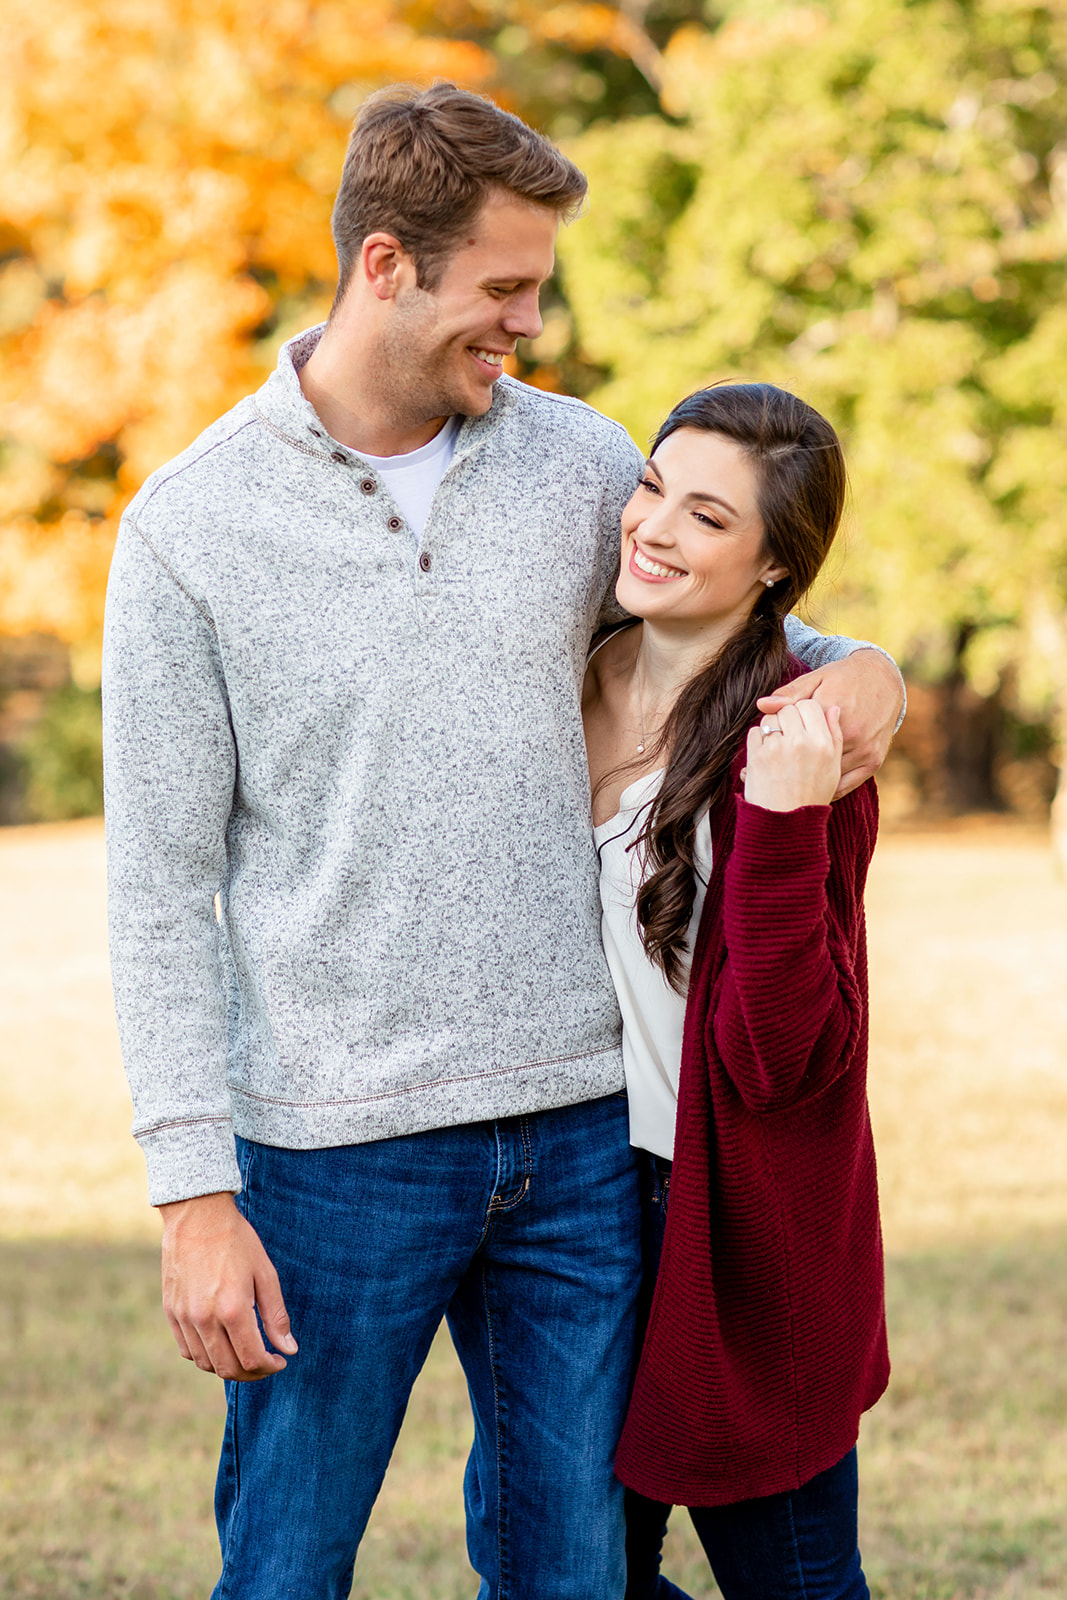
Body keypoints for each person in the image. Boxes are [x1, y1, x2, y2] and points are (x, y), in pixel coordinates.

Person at [102, 84, 902, 1599]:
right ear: (385, 265)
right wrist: (192, 1194)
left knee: (568, 1573)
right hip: (334, 1152)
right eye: (504, 288)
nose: (528, 324)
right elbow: (154, 891)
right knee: (284, 1567)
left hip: (578, 1142)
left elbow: (731, 604)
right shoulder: (191, 530)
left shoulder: (577, 462)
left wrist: (869, 672)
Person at [582, 383, 887, 1600]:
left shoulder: (805, 744)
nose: (653, 528)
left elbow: (780, 1054)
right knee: (557, 1570)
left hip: (741, 1222)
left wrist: (782, 820)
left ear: (772, 567)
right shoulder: (566, 675)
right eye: (652, 486)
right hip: (577, 1202)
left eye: (706, 517)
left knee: (794, 1584)